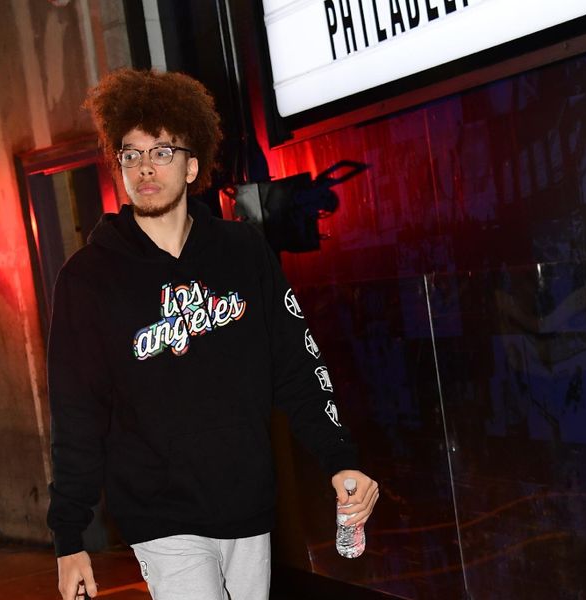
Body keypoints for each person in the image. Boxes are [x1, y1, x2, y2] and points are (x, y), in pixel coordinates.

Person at [47, 68, 379, 600]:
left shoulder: (244, 252)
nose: (144, 168)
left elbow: (297, 366)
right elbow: (76, 413)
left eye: (161, 151)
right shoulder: (88, 279)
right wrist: (69, 536)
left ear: (192, 164)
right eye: (131, 154)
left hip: (247, 502)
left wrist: (339, 458)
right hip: (161, 515)